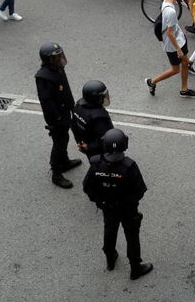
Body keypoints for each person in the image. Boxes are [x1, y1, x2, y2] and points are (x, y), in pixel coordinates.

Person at [82, 128, 154, 280]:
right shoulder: (129, 166)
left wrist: (100, 201)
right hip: (128, 210)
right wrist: (127, 203)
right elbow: (140, 191)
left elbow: (87, 187)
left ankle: (110, 259)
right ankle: (135, 268)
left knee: (109, 231)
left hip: (107, 208)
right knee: (132, 237)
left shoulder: (96, 163)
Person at [34, 42, 82, 189]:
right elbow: (46, 102)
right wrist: (57, 119)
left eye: (60, 55)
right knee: (59, 143)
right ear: (48, 59)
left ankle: (65, 161)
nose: (60, 58)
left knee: (64, 138)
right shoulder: (43, 77)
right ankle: (56, 173)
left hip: (65, 111)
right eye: (56, 57)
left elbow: (65, 89)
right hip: (56, 118)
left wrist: (72, 107)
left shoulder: (58, 68)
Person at [145, 0, 195, 99]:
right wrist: (178, 50)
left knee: (184, 63)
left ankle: (184, 89)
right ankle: (152, 82)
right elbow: (170, 33)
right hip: (174, 44)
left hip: (179, 38)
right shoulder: (171, 11)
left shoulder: (166, 1)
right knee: (175, 70)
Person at [71, 80, 114, 159]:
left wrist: (80, 142)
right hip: (99, 150)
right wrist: (89, 146)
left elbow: (73, 125)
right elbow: (105, 138)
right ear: (95, 98)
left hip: (86, 145)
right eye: (102, 97)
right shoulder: (99, 117)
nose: (104, 98)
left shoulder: (78, 105)